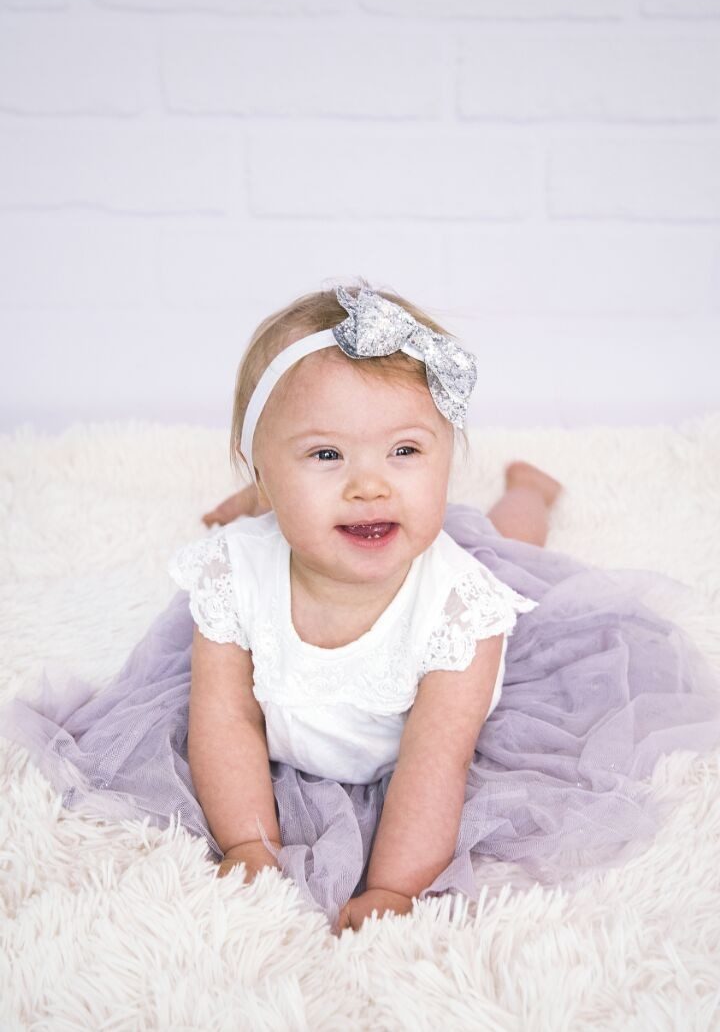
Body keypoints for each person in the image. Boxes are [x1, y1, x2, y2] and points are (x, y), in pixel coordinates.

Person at [2, 281, 720, 939]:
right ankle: (281, 492)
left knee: (507, 542)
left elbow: (435, 763)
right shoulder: (233, 576)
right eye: (326, 455)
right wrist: (249, 842)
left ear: (447, 455)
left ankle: (529, 489)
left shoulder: (463, 613)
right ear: (262, 466)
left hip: (430, 700)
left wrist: (393, 888)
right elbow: (226, 719)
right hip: (284, 532)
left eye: (406, 450)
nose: (370, 487)